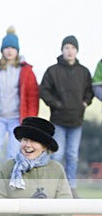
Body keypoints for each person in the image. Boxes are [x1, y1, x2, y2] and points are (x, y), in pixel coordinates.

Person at [0, 26, 40, 180]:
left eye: (12, 48)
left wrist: (30, 121)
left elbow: (33, 96)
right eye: (6, 47)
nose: (9, 51)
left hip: (17, 119)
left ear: (17, 50)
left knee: (13, 153)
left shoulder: (26, 70)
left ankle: (8, 183)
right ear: (2, 50)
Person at [39, 35, 93, 196]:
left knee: (72, 156)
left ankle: (71, 188)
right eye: (66, 48)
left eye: (72, 48)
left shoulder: (84, 72)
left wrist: (84, 103)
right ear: (62, 50)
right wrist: (56, 104)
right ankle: (53, 187)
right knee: (57, 154)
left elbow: (89, 92)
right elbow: (44, 91)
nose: (70, 51)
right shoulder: (52, 71)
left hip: (76, 121)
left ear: (77, 51)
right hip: (58, 120)